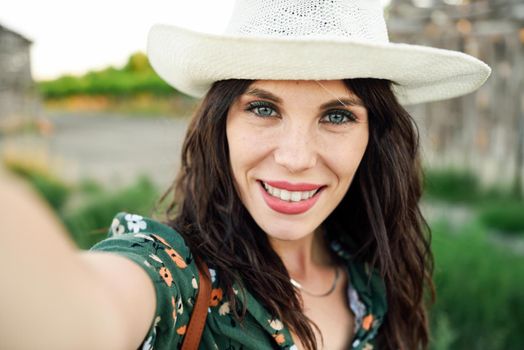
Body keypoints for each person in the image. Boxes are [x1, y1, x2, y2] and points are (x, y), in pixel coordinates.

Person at [0, 0, 490, 349]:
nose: (296, 157)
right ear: (222, 126)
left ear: (374, 136)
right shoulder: (176, 278)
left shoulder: (372, 278)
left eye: (337, 116)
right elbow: (81, 312)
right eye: (262, 108)